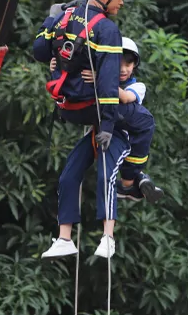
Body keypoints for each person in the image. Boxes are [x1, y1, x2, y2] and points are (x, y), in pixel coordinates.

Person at [32, 0, 131, 259]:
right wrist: (108, 125)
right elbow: (109, 82)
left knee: (69, 175)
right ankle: (133, 180)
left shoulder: (63, 17)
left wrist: (51, 20)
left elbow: (39, 51)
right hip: (96, 111)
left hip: (70, 108)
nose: (121, 3)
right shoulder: (107, 29)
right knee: (139, 117)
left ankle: (64, 237)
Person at [55, 36, 165, 204]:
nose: (122, 69)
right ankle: (137, 185)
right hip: (103, 131)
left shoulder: (137, 86)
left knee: (126, 163)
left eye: (128, 64)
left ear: (134, 66)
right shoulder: (101, 78)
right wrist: (56, 65)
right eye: (118, 64)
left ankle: (129, 183)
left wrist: (102, 78)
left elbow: (126, 98)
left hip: (125, 136)